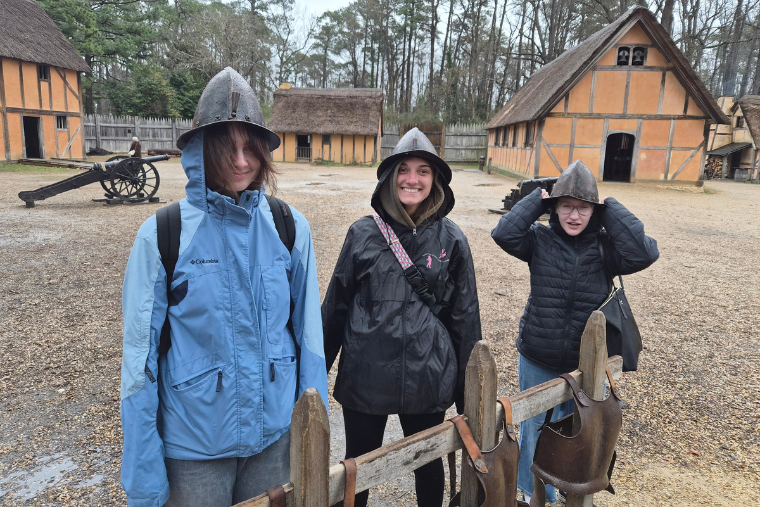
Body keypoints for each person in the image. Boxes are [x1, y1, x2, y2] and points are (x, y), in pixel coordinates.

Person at [120, 67, 328, 507]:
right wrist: (144, 475)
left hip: (273, 439)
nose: (240, 161)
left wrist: (314, 435)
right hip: (194, 450)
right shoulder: (162, 234)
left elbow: (310, 341)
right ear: (201, 149)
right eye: (226, 147)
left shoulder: (290, 228)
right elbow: (139, 363)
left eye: (250, 148)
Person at [322, 128, 482, 507]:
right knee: (358, 467)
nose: (413, 179)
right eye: (404, 170)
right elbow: (336, 308)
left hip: (428, 374)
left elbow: (465, 317)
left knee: (427, 464)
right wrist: (314, 373)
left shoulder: (452, 239)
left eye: (423, 171)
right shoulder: (362, 234)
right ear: (389, 179)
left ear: (435, 179)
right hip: (366, 374)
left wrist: (467, 395)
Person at [491, 160, 659, 504]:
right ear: (554, 208)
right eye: (566, 206)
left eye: (583, 208)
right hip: (538, 353)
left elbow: (645, 252)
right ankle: (531, 494)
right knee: (533, 427)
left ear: (593, 212)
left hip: (585, 362)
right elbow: (503, 233)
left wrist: (610, 208)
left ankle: (570, 489)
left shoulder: (606, 248)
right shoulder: (539, 239)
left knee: (578, 431)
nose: (573, 215)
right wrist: (536, 200)